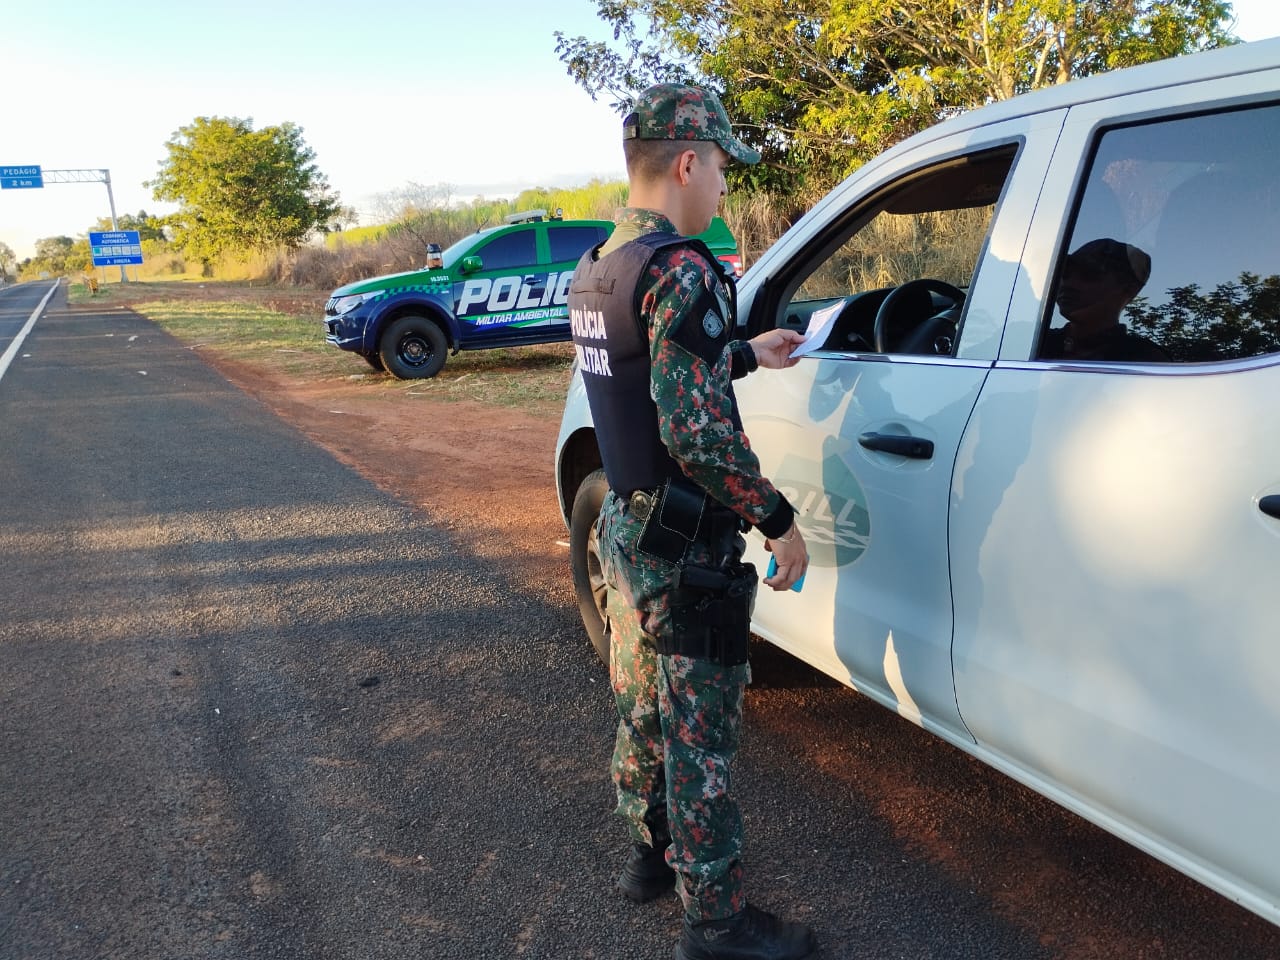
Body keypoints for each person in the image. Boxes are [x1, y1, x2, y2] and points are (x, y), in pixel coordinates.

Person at [568, 83, 816, 960]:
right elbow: (697, 429)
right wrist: (778, 519)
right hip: (685, 550)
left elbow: (652, 375)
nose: (723, 185)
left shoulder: (603, 262)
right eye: (718, 166)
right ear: (685, 163)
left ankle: (648, 853)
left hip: (629, 531)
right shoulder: (683, 269)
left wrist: (746, 350)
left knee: (641, 703)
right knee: (699, 731)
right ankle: (717, 926)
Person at [1040, 237, 1168, 362]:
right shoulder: (1034, 341)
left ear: (1128, 289)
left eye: (1088, 274)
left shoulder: (1144, 359)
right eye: (1064, 273)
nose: (1067, 283)